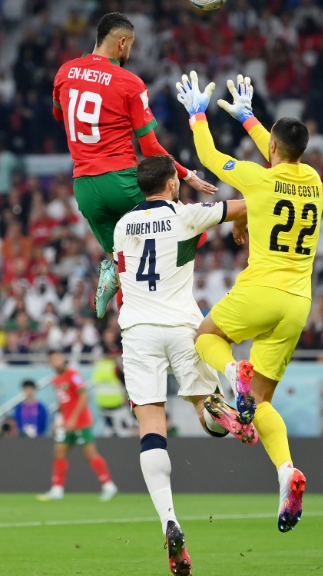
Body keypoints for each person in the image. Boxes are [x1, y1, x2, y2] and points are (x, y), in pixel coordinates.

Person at [177, 72, 323, 533]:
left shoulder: (259, 180)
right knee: (259, 404)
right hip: (298, 304)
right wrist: (249, 119)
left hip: (261, 289)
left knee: (207, 336)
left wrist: (198, 114)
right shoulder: (314, 180)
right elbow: (282, 155)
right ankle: (286, 473)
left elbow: (208, 157)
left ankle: (229, 373)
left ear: (273, 151)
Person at [114, 154, 254, 576]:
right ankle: (221, 407)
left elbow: (116, 268)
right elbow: (243, 203)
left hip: (138, 330)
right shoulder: (187, 214)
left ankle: (169, 521)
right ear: (173, 183)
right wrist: (238, 220)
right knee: (203, 405)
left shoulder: (122, 226)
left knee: (151, 424)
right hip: (182, 326)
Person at [52, 12, 216, 318]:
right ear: (122, 42)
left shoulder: (65, 72)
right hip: (122, 182)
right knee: (192, 230)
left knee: (126, 261)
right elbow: (151, 148)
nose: (130, 52)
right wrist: (187, 175)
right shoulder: (130, 82)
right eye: (131, 46)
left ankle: (115, 280)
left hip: (85, 189)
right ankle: (171, 298)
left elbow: (59, 115)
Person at [37, 351, 118, 502]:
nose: (55, 362)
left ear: (63, 359)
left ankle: (109, 486)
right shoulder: (56, 380)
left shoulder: (73, 374)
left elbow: (84, 395)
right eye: (52, 360)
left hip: (80, 422)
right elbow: (62, 402)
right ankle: (57, 490)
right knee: (59, 452)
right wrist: (59, 420)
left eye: (57, 358)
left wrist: (73, 418)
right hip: (66, 424)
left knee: (90, 454)